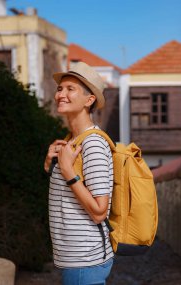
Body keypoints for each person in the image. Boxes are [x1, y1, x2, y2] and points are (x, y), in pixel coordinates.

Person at [44, 62, 114, 285]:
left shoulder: (92, 144)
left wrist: (67, 172)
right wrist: (49, 165)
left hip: (85, 262)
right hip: (74, 260)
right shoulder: (70, 141)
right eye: (59, 89)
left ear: (89, 99)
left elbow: (99, 212)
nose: (61, 95)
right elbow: (67, 197)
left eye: (70, 89)